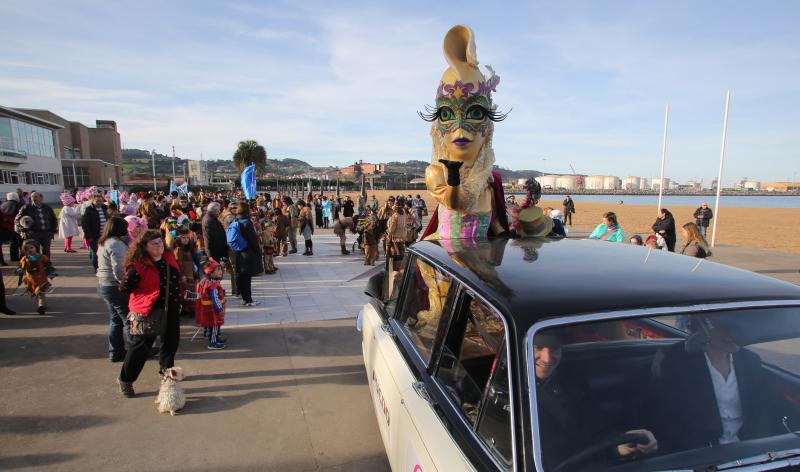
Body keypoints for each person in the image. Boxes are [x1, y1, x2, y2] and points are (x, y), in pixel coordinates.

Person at [650, 316, 785, 453]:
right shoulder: (675, 362)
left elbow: (762, 415)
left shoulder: (750, 361)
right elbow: (670, 420)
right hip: (699, 454)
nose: (734, 333)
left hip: (747, 450)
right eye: (725, 326)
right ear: (702, 327)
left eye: (738, 328)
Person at [535, 332, 657, 469]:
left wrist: (620, 444)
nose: (547, 358)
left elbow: (596, 429)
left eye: (555, 349)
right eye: (538, 347)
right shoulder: (510, 389)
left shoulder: (570, 382)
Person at [117, 230, 182, 398]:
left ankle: (167, 376)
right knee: (141, 348)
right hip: (148, 311)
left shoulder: (168, 258)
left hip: (171, 309)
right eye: (154, 243)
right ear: (144, 247)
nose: (159, 246)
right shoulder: (138, 266)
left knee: (170, 344)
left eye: (160, 242)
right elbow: (124, 288)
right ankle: (126, 379)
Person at [96, 216, 131, 362]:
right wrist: (124, 283)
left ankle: (115, 352)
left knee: (115, 319)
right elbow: (118, 268)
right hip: (114, 285)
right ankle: (137, 350)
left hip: (104, 284)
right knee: (129, 320)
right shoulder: (116, 244)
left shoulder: (104, 242)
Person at [228, 203, 263, 306]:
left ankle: (245, 298)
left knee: (242, 276)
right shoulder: (247, 222)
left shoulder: (236, 220)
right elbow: (253, 240)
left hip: (239, 252)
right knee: (247, 278)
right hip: (248, 252)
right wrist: (259, 251)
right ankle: (248, 300)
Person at [16, 239, 58, 315]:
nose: (30, 250)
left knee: (40, 293)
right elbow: (21, 267)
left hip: (41, 279)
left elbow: (48, 266)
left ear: (36, 248)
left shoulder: (42, 257)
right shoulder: (25, 259)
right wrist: (19, 270)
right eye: (27, 249)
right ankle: (43, 304)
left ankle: (41, 306)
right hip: (31, 281)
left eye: (31, 248)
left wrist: (51, 273)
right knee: (36, 293)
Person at [195, 259, 227, 350]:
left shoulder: (208, 281)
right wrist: (220, 309)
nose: (221, 272)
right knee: (215, 325)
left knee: (213, 326)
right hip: (213, 310)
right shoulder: (213, 285)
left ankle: (215, 339)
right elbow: (215, 298)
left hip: (209, 309)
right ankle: (213, 342)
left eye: (220, 269)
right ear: (211, 273)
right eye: (218, 270)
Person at [15, 191, 57, 258]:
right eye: (32, 197)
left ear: (41, 198)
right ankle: (36, 265)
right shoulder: (26, 208)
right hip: (33, 233)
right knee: (35, 251)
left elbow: (54, 220)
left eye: (35, 197)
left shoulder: (47, 208)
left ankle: (47, 265)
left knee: (46, 250)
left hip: (46, 233)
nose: (33, 198)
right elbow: (17, 220)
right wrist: (23, 231)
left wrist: (52, 231)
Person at [171, 227, 200, 317]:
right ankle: (186, 309)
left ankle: (190, 309)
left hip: (191, 273)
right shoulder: (178, 249)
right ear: (179, 238)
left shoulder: (189, 248)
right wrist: (181, 275)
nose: (186, 239)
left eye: (187, 237)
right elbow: (177, 264)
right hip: (184, 274)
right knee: (186, 292)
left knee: (191, 291)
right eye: (183, 238)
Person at [80, 193, 109, 270]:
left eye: (101, 201)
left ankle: (103, 266)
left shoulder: (104, 208)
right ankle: (96, 268)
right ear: (92, 201)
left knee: (104, 252)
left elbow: (108, 220)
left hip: (104, 235)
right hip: (94, 235)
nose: (99, 203)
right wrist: (89, 236)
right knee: (95, 253)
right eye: (97, 201)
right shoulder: (89, 210)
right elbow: (85, 224)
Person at [0, 192, 22, 263]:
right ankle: (17, 257)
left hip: (3, 227)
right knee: (17, 242)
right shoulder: (19, 205)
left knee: (13, 242)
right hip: (14, 226)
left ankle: (3, 261)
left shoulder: (2, 205)